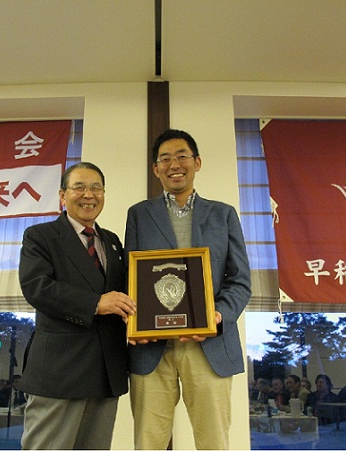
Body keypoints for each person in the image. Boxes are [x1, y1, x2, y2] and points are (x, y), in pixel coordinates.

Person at [125, 129, 251, 450]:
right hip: (152, 349)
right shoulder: (138, 215)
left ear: (197, 162)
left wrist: (218, 314)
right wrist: (135, 320)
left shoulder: (223, 214)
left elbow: (240, 280)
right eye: (165, 159)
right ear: (156, 169)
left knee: (214, 443)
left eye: (182, 156)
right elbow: (131, 276)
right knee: (147, 442)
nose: (174, 164)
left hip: (209, 345)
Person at [18, 162, 136, 449]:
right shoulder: (40, 236)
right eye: (79, 187)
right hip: (60, 372)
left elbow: (127, 293)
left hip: (106, 372)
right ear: (62, 195)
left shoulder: (112, 242)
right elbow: (37, 287)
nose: (88, 195)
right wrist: (96, 303)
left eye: (96, 188)